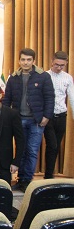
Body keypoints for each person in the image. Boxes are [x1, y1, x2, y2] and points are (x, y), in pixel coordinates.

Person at [2, 48, 54, 191]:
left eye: (28, 60)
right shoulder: (13, 77)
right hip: (18, 120)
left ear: (33, 61)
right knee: (21, 150)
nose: (25, 62)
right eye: (23, 59)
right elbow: (7, 99)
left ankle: (27, 180)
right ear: (19, 61)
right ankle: (20, 179)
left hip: (36, 121)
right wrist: (5, 117)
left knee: (32, 150)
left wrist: (46, 116)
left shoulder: (43, 76)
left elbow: (50, 98)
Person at [44, 51, 74, 179]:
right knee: (52, 144)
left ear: (66, 64)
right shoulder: (44, 76)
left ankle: (49, 174)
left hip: (61, 115)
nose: (59, 67)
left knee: (55, 147)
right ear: (52, 61)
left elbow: (72, 97)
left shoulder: (68, 78)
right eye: (57, 64)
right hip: (47, 116)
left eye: (62, 65)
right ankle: (48, 176)